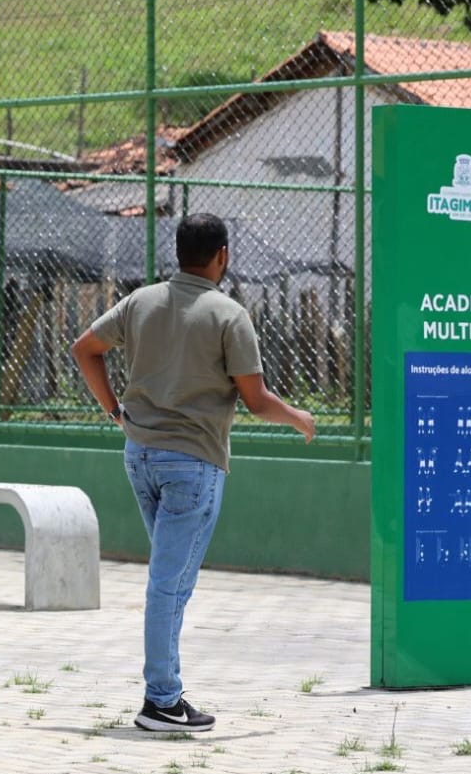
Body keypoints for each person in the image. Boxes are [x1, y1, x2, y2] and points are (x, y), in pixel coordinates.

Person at [70, 213, 316, 734]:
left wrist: (115, 411)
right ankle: (161, 701)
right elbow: (254, 400)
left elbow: (84, 349)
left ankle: (167, 694)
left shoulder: (142, 301)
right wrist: (297, 416)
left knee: (171, 582)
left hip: (140, 454)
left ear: (179, 251)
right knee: (168, 584)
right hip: (193, 464)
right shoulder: (229, 315)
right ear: (222, 255)